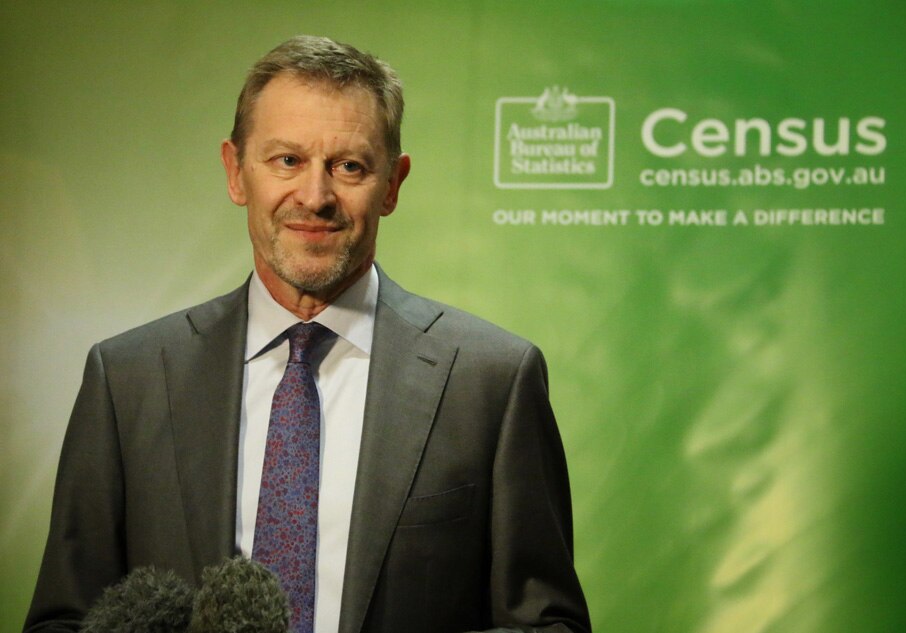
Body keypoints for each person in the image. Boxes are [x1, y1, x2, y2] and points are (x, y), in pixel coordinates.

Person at [24, 35, 590, 633]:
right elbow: (63, 620)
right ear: (235, 172)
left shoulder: (492, 381)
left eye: (349, 166)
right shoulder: (128, 379)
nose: (315, 197)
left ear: (392, 185)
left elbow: (547, 625)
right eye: (287, 160)